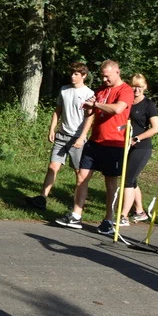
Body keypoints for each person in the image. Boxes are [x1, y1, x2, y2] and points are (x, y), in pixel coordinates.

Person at [55, 60, 133, 234]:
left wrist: (95, 105)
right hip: (95, 141)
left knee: (110, 181)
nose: (104, 79)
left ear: (117, 72)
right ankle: (76, 215)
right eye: (102, 76)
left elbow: (118, 109)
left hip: (114, 142)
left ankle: (108, 219)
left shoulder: (125, 90)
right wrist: (85, 125)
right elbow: (90, 113)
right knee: (82, 176)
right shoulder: (99, 90)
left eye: (108, 76)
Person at [26, 62, 93, 210]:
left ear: (84, 76)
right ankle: (42, 198)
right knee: (52, 166)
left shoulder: (89, 94)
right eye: (71, 73)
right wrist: (52, 129)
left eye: (76, 74)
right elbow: (57, 111)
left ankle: (78, 203)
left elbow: (90, 118)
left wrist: (82, 137)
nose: (72, 76)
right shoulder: (64, 90)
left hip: (77, 138)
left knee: (79, 172)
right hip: (62, 135)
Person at [118, 74, 158, 225]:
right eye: (134, 86)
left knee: (127, 180)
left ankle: (123, 216)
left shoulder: (148, 104)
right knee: (132, 179)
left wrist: (136, 139)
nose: (136, 89)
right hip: (124, 146)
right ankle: (140, 212)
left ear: (145, 87)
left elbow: (156, 128)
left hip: (141, 147)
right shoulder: (127, 102)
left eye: (140, 87)